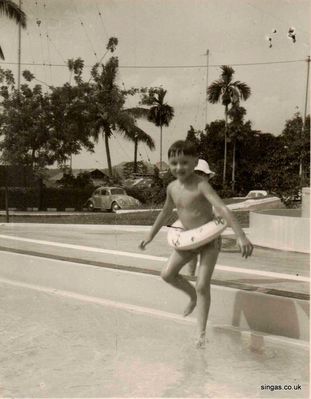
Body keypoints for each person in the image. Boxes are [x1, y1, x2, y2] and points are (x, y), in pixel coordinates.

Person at [139, 140, 253, 348]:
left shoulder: (201, 184)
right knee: (167, 274)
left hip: (209, 241)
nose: (178, 167)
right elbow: (165, 212)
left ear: (194, 163)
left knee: (202, 284)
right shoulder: (172, 188)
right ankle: (191, 296)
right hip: (188, 239)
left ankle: (200, 334)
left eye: (184, 162)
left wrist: (241, 236)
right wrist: (150, 235)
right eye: (174, 163)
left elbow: (223, 209)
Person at [186, 159, 215, 277]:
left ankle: (202, 278)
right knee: (192, 256)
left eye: (205, 175)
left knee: (206, 257)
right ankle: (191, 276)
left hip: (208, 228)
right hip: (193, 228)